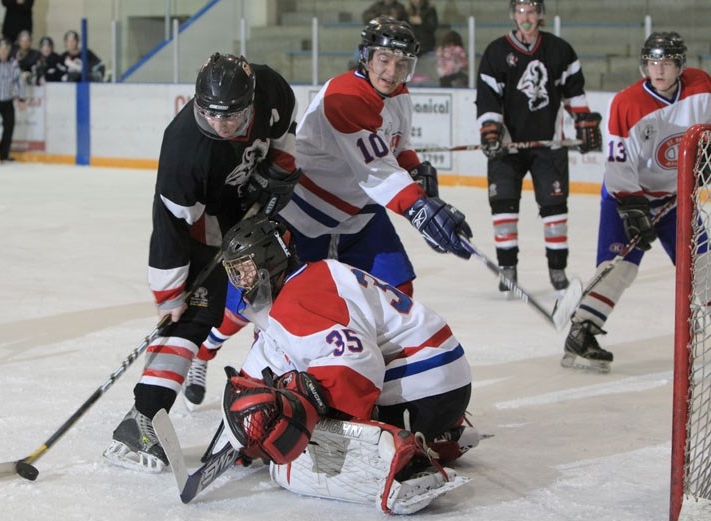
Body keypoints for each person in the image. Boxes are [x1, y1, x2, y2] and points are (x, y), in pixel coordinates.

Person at [182, 16, 474, 407]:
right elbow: (376, 171)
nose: (392, 71)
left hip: (358, 215)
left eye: (402, 63)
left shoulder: (400, 95)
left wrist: (415, 166)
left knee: (396, 290)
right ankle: (212, 357)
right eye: (384, 59)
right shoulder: (344, 97)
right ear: (367, 56)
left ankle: (378, 372)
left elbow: (394, 147)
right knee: (262, 303)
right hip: (306, 215)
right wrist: (419, 206)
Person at [103, 53, 300, 473]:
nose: (220, 124)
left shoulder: (270, 87)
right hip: (202, 225)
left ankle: (296, 397)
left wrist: (279, 172)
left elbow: (284, 134)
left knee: (275, 295)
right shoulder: (183, 146)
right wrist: (171, 291)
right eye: (209, 113)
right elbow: (170, 222)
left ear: (250, 101)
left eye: (231, 116)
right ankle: (141, 421)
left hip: (249, 213)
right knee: (194, 316)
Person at [217, 215, 478, 513]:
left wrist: (310, 409)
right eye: (235, 273)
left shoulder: (299, 298)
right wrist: (237, 428)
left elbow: (357, 364)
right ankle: (441, 435)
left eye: (245, 270)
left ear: (269, 261)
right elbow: (264, 364)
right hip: (444, 382)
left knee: (292, 459)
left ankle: (404, 459)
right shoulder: (306, 282)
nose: (240, 282)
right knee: (293, 393)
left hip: (422, 387)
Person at [562, 32, 711, 373]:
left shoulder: (702, 87)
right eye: (653, 62)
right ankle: (582, 332)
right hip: (627, 197)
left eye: (667, 62)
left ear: (680, 65)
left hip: (676, 200)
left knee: (704, 261)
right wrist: (633, 207)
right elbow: (617, 164)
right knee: (619, 269)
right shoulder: (627, 102)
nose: (659, 70)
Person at [476, 0, 603, 295]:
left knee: (555, 209)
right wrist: (491, 131)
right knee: (504, 206)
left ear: (541, 16)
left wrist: (583, 123)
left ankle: (557, 270)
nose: (526, 17)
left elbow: (573, 94)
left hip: (550, 145)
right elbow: (488, 98)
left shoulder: (559, 50)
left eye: (531, 12)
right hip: (506, 148)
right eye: (520, 12)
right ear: (513, 16)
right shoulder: (496, 52)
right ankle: (508, 268)